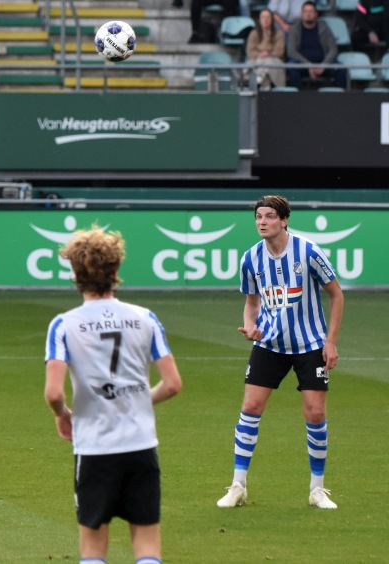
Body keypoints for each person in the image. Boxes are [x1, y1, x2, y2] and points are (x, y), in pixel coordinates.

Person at [44, 227, 182, 564]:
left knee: (93, 549)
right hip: (140, 445)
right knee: (147, 545)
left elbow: (53, 392)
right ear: (115, 270)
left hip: (95, 448)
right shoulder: (145, 318)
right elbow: (173, 383)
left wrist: (63, 414)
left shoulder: (64, 324)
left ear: (76, 273)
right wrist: (135, 399)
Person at [216, 195, 344, 510]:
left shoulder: (308, 251)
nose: (262, 221)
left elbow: (336, 295)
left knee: (315, 413)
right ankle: (237, 486)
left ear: (283, 220)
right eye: (258, 216)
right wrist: (250, 326)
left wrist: (330, 341)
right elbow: (251, 303)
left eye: (269, 216)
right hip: (269, 345)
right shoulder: (251, 258)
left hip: (310, 345)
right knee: (250, 407)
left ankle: (317, 489)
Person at [285, 1, 346, 89]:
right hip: (302, 65)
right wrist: (309, 65)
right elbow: (291, 52)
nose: (308, 14)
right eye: (305, 11)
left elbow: (333, 50)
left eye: (311, 11)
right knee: (291, 67)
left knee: (341, 69)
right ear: (301, 14)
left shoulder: (324, 27)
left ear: (316, 14)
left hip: (323, 65)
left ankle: (338, 99)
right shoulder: (295, 29)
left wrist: (323, 65)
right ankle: (298, 99)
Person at [245, 9, 286, 89]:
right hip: (257, 59)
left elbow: (279, 51)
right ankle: (263, 84)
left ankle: (260, 80)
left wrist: (268, 54)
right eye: (263, 17)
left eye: (268, 17)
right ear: (259, 20)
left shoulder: (278, 34)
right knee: (260, 62)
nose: (265, 20)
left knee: (267, 62)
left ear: (272, 20)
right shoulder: (253, 33)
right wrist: (260, 54)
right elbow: (250, 51)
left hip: (274, 60)